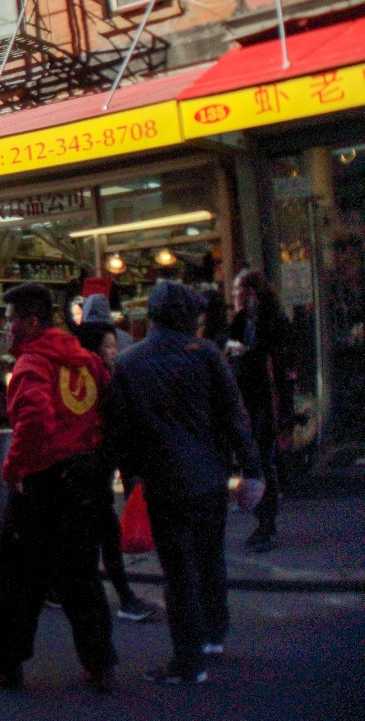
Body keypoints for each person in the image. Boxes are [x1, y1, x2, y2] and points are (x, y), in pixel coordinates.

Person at [107, 281, 263, 685]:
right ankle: (214, 634)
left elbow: (121, 430)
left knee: (178, 571)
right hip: (209, 475)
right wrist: (251, 470)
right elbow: (234, 416)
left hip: (164, 479)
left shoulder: (128, 363)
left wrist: (130, 476)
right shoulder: (207, 355)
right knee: (211, 558)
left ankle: (189, 659)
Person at [0, 282, 118, 691]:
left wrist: (12, 470)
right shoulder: (86, 360)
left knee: (18, 578)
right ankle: (99, 661)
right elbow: (107, 408)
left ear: (30, 322)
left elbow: (34, 423)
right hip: (87, 478)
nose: (6, 328)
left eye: (10, 319)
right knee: (81, 576)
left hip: (44, 483)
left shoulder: (32, 365)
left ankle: (6, 662)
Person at [77, 318, 156, 624]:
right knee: (104, 535)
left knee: (94, 537)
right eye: (107, 346)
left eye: (114, 345)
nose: (113, 351)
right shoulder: (96, 382)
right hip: (90, 470)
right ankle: (121, 600)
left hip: (96, 470)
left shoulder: (104, 377)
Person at [227, 268, 293, 553]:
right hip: (246, 399)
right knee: (253, 460)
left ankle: (267, 522)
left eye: (239, 290)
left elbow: (280, 361)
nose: (235, 296)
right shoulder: (242, 320)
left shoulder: (272, 320)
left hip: (266, 399)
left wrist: (246, 353)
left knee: (263, 460)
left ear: (251, 292)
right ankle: (262, 518)